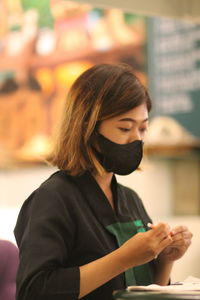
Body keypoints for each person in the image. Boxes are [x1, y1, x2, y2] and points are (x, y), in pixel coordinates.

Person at [14, 63, 192, 300]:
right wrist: (123, 258)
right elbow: (34, 290)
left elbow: (147, 291)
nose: (136, 139)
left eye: (143, 129)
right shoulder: (53, 198)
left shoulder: (130, 200)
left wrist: (165, 259)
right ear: (87, 127)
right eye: (125, 128)